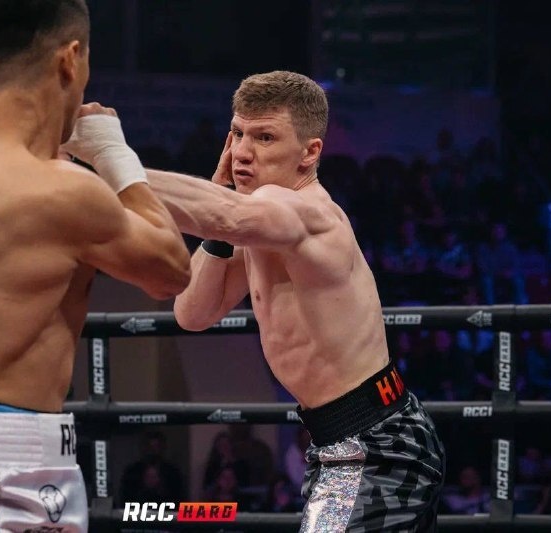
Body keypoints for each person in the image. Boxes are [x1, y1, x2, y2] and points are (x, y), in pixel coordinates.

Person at [68, 70, 445, 530]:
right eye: (238, 134)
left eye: (265, 138)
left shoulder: (310, 213)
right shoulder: (260, 226)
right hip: (347, 440)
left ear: (310, 152)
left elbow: (227, 215)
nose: (243, 152)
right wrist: (222, 200)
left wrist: (107, 156)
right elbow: (192, 313)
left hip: (373, 444)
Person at [0, 1, 191, 532]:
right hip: (8, 471)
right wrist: (113, 153)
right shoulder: (61, 189)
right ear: (70, 60)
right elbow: (171, 269)